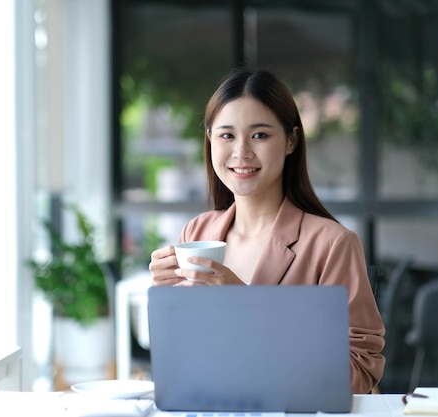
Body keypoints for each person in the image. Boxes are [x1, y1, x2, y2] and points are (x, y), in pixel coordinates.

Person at [149, 67, 385, 394]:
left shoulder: (332, 244)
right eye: (227, 135)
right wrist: (167, 301)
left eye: (259, 135)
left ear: (291, 140)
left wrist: (247, 306)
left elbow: (358, 376)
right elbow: (185, 359)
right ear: (210, 140)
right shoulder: (197, 231)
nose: (241, 153)